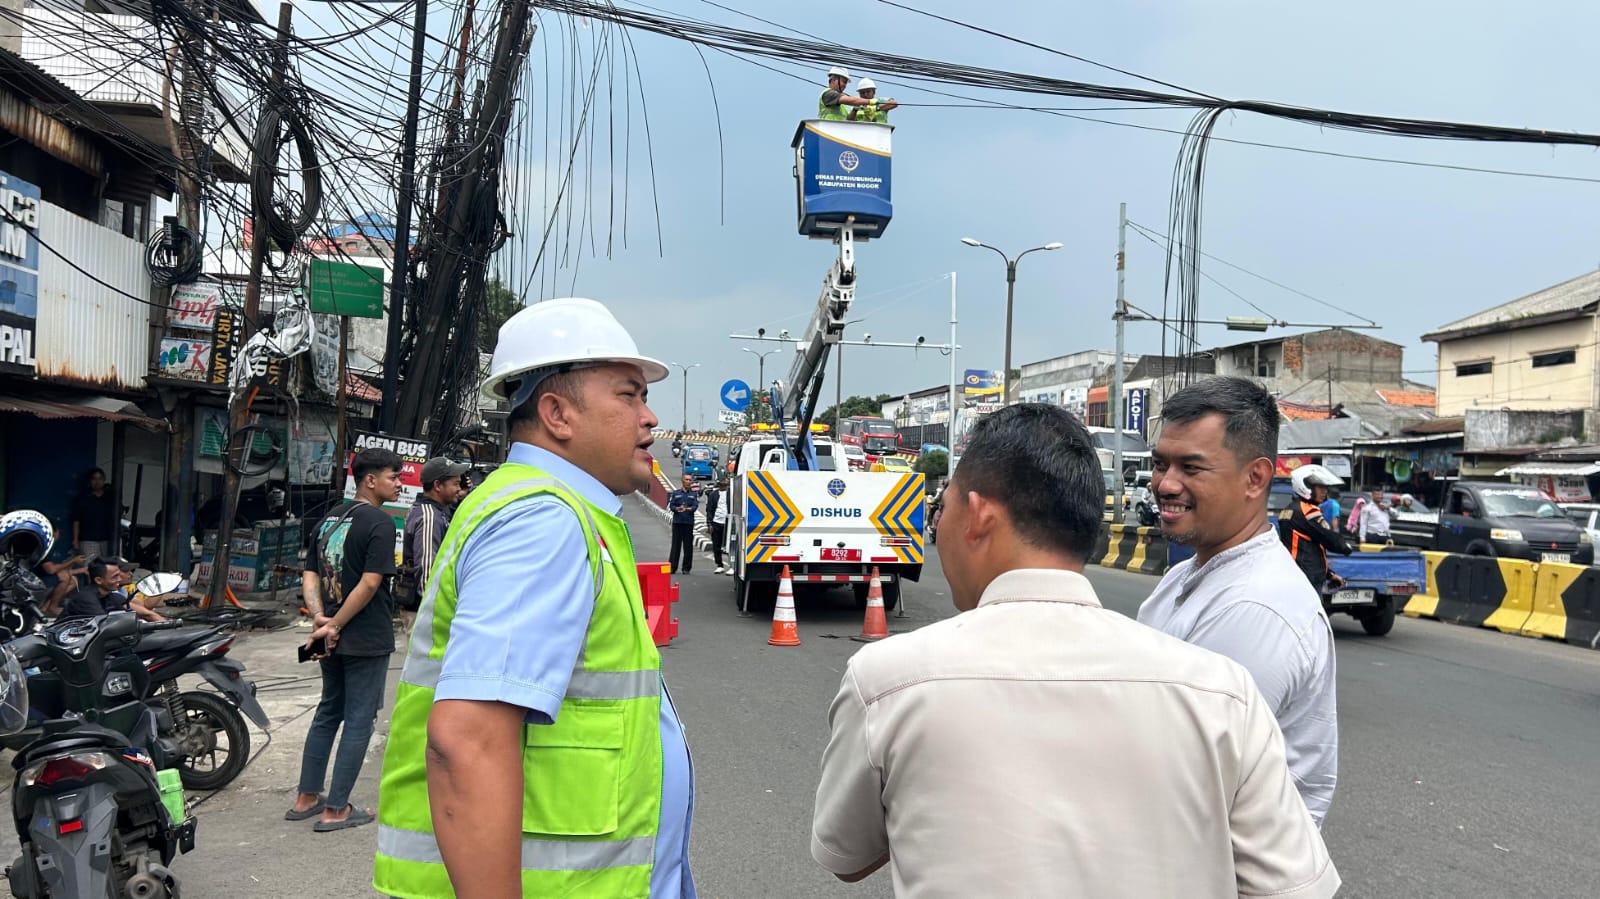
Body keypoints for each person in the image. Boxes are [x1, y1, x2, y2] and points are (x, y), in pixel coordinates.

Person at [812, 404, 1339, 897]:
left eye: (941, 509)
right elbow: (1294, 886)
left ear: (977, 515)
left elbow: (847, 855)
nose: (936, 529)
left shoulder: (888, 683)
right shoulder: (1223, 690)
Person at [372, 297, 697, 899]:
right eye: (629, 395)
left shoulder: (557, 510)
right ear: (557, 413)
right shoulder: (541, 521)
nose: (650, 418)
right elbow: (467, 739)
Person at [1136, 376, 1339, 826]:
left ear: (1255, 478)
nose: (1166, 485)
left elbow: (1182, 773)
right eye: (1160, 464)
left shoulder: (1255, 607)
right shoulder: (1183, 576)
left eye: (1191, 468)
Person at [286, 447, 403, 833]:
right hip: (363, 635)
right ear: (370, 480)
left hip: (327, 636)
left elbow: (310, 578)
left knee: (328, 709)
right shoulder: (380, 524)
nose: (398, 483)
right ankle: (336, 809)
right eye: (393, 476)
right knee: (359, 719)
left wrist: (320, 618)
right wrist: (335, 623)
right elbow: (371, 583)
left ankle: (306, 797)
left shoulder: (329, 519)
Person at [399, 457, 470, 633]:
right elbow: (427, 569)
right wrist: (436, 611)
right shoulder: (430, 516)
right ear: (438, 485)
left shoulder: (429, 510)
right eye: (455, 484)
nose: (459, 489)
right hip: (425, 611)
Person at [1280, 464, 1355, 594]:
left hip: (1296, 575)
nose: (1324, 491)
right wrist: (1345, 546)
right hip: (1306, 578)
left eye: (1325, 488)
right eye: (1320, 487)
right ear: (1306, 486)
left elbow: (1308, 547)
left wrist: (1329, 574)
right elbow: (1327, 536)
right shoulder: (1307, 510)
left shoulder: (1289, 509)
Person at [59, 556, 164, 622]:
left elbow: (147, 614)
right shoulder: (86, 599)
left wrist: (170, 627)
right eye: (115, 577)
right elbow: (106, 626)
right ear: (99, 580)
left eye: (119, 575)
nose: (119, 579)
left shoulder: (112, 596)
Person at [70, 468, 119, 560]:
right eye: (94, 479)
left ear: (104, 480)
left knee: (108, 568)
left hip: (107, 539)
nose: (97, 482)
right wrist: (75, 539)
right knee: (90, 568)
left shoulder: (110, 498)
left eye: (100, 479)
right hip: (88, 540)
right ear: (90, 481)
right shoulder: (82, 498)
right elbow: (76, 520)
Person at [668, 474, 699, 575]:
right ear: (682, 481)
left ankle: (686, 568)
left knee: (688, 546)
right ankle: (672, 567)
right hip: (678, 522)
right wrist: (677, 508)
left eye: (690, 480)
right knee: (675, 546)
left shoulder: (693, 494)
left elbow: (695, 505)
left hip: (688, 523)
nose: (688, 481)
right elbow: (671, 505)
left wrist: (689, 509)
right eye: (686, 479)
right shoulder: (676, 493)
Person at [705, 477, 729, 574]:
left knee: (730, 545)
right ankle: (719, 565)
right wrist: (709, 523)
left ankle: (732, 566)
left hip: (729, 523)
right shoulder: (713, 495)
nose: (723, 485)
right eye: (721, 483)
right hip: (716, 522)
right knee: (716, 545)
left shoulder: (731, 494)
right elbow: (709, 509)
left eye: (725, 483)